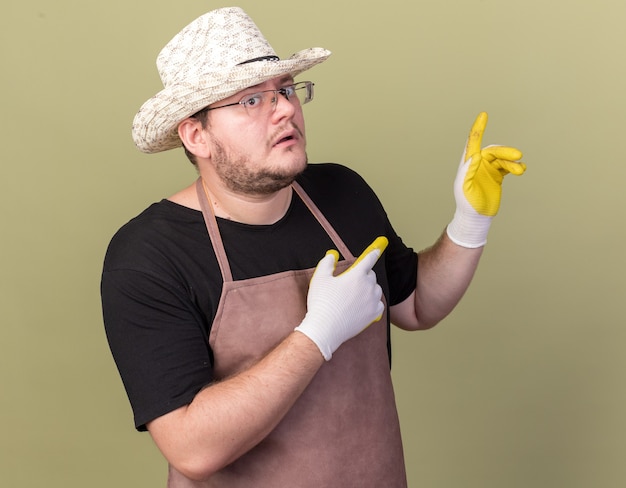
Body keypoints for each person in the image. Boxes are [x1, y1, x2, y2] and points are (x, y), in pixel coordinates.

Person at [101, 6, 526, 487]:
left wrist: (470, 224)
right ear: (197, 134)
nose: (284, 108)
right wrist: (317, 334)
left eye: (284, 90)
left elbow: (417, 305)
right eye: (251, 101)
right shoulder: (148, 256)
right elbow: (192, 448)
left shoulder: (341, 194)